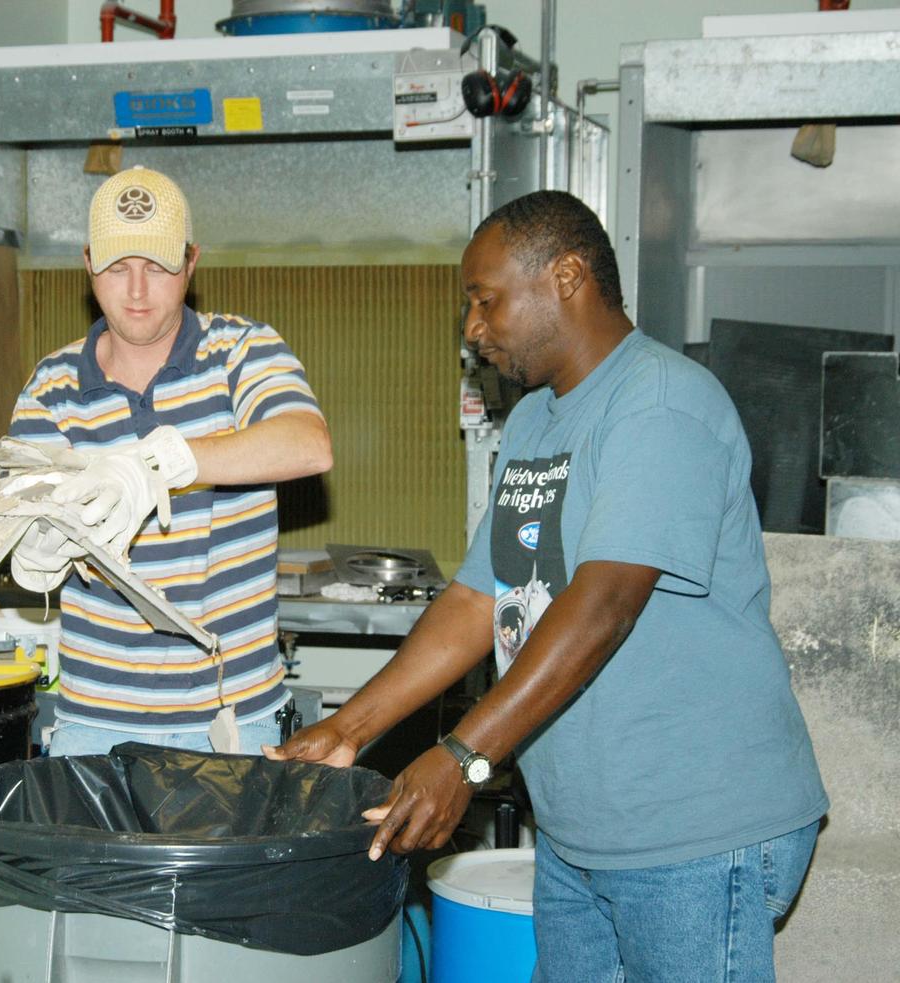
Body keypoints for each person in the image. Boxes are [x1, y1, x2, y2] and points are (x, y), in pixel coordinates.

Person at [267, 190, 828, 982]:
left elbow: (602, 607)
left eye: (485, 300)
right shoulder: (533, 421)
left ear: (566, 276)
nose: (472, 328)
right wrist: (350, 728)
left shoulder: (660, 404)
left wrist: (462, 756)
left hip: (695, 830)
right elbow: (474, 598)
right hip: (580, 831)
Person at [7, 166, 332, 757]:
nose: (135, 291)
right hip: (92, 728)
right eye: (116, 267)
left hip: (236, 723)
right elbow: (23, 506)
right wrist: (28, 548)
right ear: (86, 263)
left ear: (191, 262)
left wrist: (166, 461)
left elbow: (307, 443)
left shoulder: (240, 351)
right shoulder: (52, 387)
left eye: (157, 266)